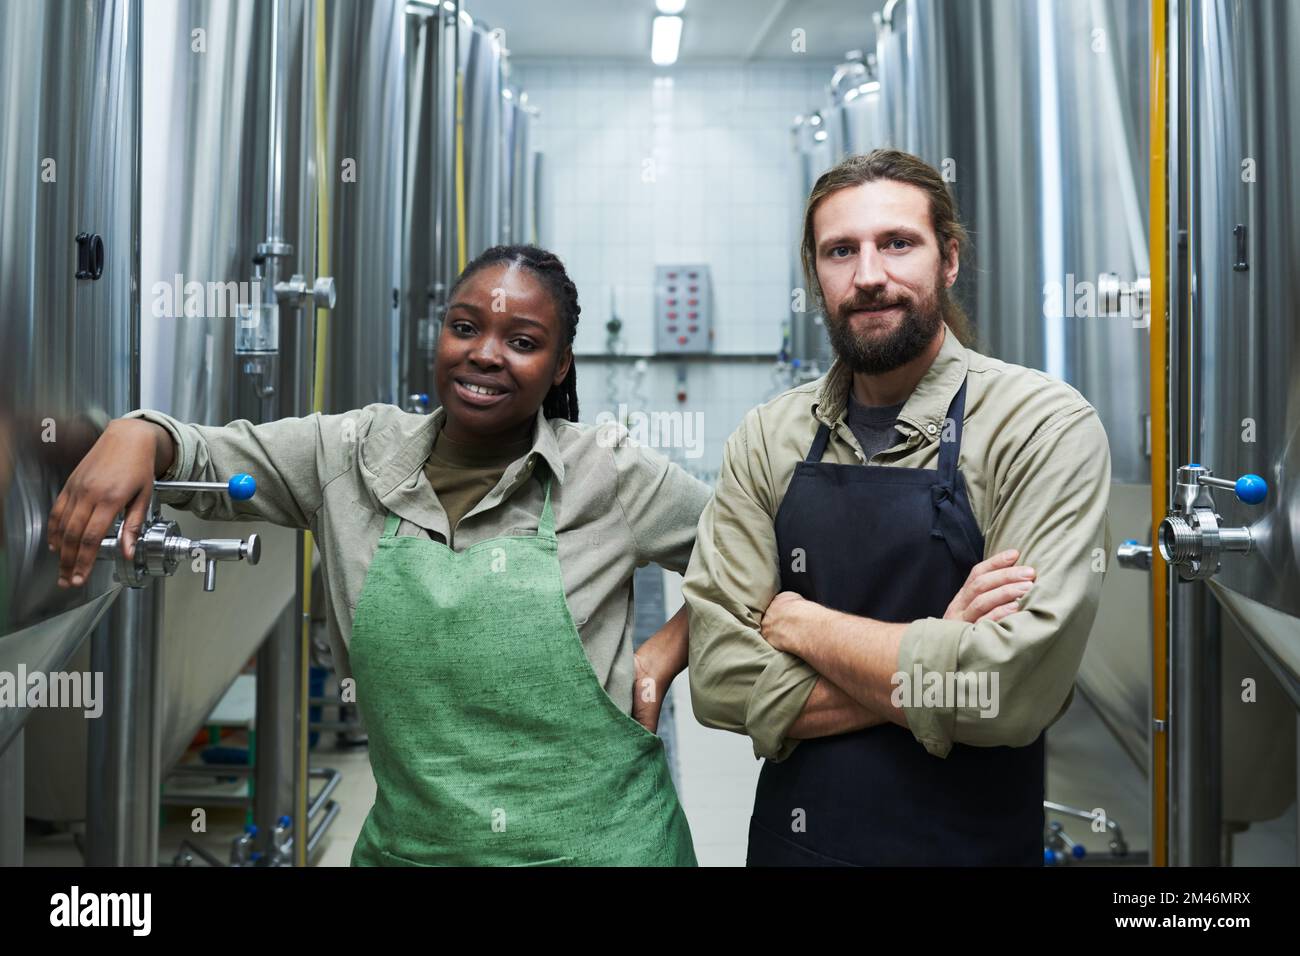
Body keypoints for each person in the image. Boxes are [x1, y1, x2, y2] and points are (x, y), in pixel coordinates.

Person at [49, 245, 706, 867]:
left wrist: (663, 654)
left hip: (607, 846)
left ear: (561, 364)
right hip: (416, 849)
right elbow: (204, 457)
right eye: (464, 327)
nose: (485, 354)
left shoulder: (608, 472)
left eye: (523, 342)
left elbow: (755, 548)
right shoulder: (352, 454)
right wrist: (139, 431)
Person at [683, 150, 1112, 866]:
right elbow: (720, 679)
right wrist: (942, 654)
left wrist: (799, 621)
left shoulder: (1041, 425)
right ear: (815, 275)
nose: (869, 275)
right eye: (840, 251)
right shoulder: (769, 436)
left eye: (897, 243)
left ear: (948, 259)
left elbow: (1010, 690)